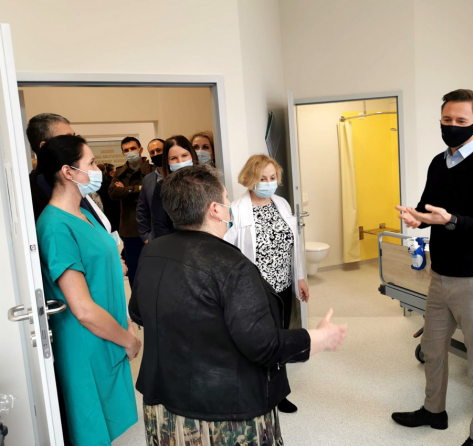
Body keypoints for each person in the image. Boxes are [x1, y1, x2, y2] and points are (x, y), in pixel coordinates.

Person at [129, 164, 347, 446]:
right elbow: (263, 345)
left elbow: (139, 313)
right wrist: (318, 338)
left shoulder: (152, 251)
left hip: (164, 406)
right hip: (222, 415)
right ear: (215, 210)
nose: (229, 204)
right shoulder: (233, 265)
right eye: (226, 198)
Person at [391, 89, 473, 446]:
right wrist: (417, 218)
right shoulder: (438, 163)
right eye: (447, 120)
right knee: (432, 351)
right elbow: (430, 209)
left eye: (461, 120)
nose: (452, 126)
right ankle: (434, 411)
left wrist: (453, 221)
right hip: (440, 277)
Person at [36, 135, 140, 446]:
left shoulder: (84, 214)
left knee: (109, 426)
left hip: (108, 333)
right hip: (86, 343)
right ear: (68, 172)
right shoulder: (56, 226)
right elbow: (81, 308)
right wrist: (128, 340)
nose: (97, 169)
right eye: (91, 163)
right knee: (93, 431)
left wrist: (125, 321)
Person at [225, 154, 309, 414]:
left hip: (283, 284)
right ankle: (258, 390)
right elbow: (226, 250)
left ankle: (278, 393)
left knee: (280, 337)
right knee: (261, 340)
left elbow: (294, 244)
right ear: (250, 178)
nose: (269, 183)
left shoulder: (281, 203)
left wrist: (300, 277)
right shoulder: (236, 209)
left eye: (272, 177)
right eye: (262, 178)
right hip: (257, 287)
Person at [26, 113, 106, 227]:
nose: (75, 143)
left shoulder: (78, 181)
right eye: (67, 138)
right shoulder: (40, 189)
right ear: (45, 147)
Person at [109, 137, 154, 288]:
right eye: (126, 150)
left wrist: (126, 190)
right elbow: (113, 193)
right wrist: (139, 189)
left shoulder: (153, 170)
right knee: (134, 270)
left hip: (151, 225)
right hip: (129, 227)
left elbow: (154, 193)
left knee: (154, 268)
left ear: (140, 150)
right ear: (123, 153)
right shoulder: (119, 172)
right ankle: (137, 301)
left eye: (133, 148)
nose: (130, 152)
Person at [150, 135, 199, 239]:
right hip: (175, 243)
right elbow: (159, 224)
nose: (180, 161)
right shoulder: (162, 187)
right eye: (173, 158)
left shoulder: (207, 181)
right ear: (167, 162)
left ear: (192, 155)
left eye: (184, 155)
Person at [136, 139, 165, 243]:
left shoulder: (178, 175)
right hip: (156, 238)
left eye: (159, 150)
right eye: (152, 152)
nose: (156, 154)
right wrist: (145, 236)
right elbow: (141, 210)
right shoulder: (148, 179)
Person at [98, 163, 121, 233]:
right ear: (111, 173)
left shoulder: (98, 185)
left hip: (103, 218)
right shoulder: (114, 185)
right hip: (116, 216)